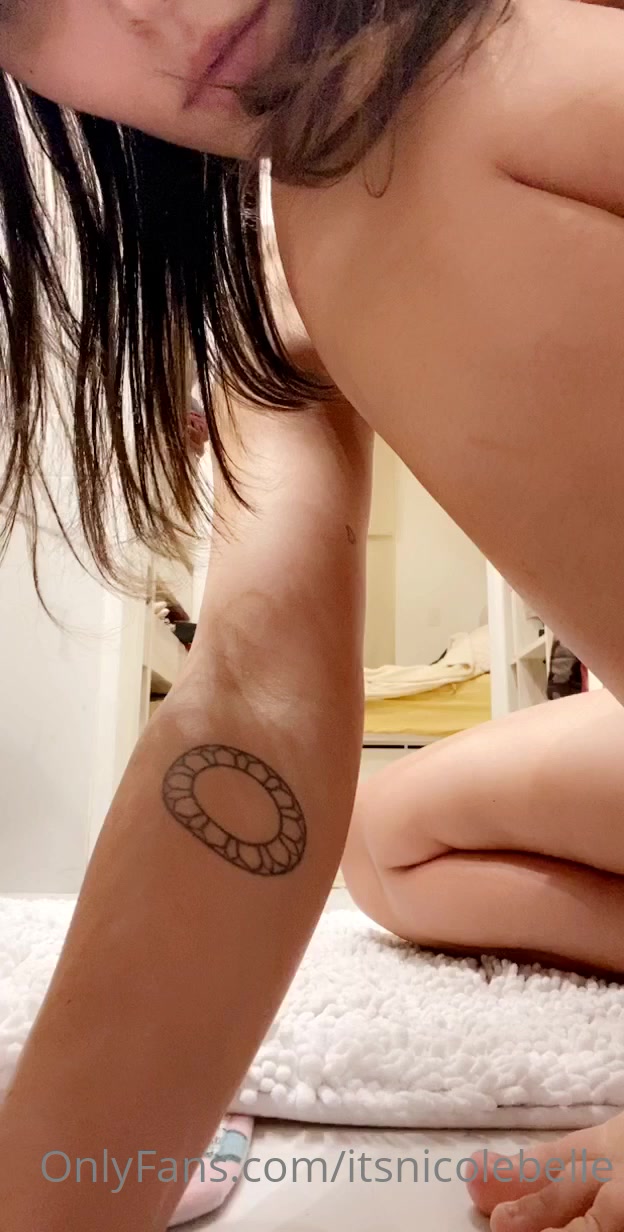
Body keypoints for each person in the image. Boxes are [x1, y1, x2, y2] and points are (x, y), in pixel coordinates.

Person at [1, 1, 624, 1229]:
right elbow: (256, 709)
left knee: (404, 174)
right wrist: (280, 386)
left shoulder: (443, 128)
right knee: (400, 844)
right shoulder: (321, 205)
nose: (146, 8)